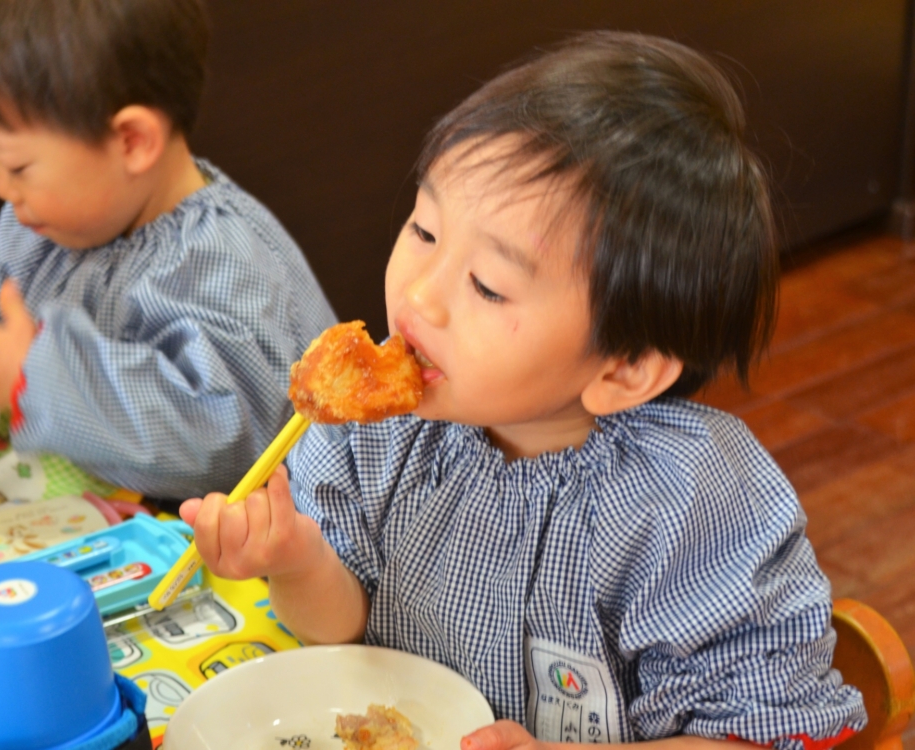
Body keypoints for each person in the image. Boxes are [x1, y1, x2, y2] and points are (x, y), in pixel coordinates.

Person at [179, 32, 867, 749]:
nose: (420, 295)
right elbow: (346, 629)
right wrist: (296, 561)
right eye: (423, 229)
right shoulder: (380, 431)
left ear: (623, 368)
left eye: (488, 285)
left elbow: (755, 732)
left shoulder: (689, 504)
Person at [0, 0, 336, 499]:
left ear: (132, 141)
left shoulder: (222, 262)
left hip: (263, 553)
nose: (3, 190)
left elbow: (220, 442)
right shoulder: (61, 223)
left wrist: (33, 378)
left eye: (18, 167)